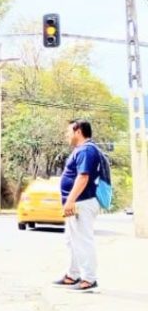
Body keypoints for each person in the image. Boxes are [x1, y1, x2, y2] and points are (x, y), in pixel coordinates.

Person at [55, 119, 104, 292]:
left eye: (69, 131)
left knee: (82, 241)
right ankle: (72, 275)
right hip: (78, 202)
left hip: (81, 202)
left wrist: (70, 200)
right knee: (71, 241)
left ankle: (89, 279)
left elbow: (83, 177)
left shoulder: (86, 150)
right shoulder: (81, 150)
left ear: (78, 131)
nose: (67, 135)